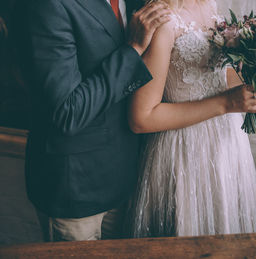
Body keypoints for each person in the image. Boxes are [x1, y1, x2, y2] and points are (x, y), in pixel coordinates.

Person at [20, 0, 172, 241]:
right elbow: (68, 111)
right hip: (74, 189)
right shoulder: (49, 6)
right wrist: (132, 49)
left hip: (127, 181)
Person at [129, 0, 256, 237]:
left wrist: (255, 84)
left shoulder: (210, 5)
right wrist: (227, 103)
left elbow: (217, 77)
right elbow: (142, 117)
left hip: (227, 149)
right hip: (184, 154)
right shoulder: (162, 19)